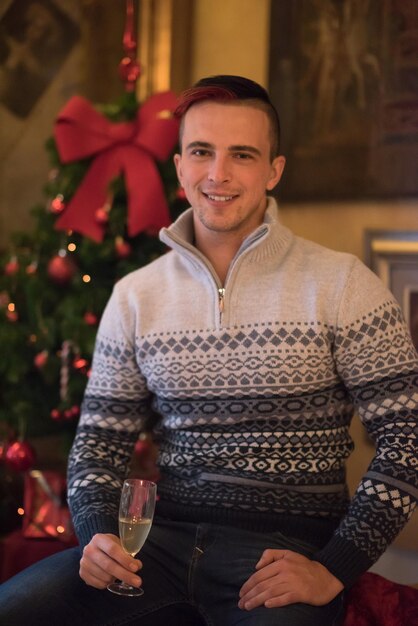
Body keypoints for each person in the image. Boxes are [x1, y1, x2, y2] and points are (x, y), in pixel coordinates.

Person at [1, 75, 417, 626]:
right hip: (157, 547)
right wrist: (99, 533)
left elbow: (406, 438)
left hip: (281, 555)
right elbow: (99, 442)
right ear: (179, 166)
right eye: (201, 152)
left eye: (241, 155)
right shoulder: (136, 295)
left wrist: (334, 567)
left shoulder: (343, 284)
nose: (218, 174)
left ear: (274, 170)